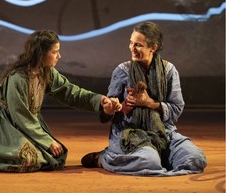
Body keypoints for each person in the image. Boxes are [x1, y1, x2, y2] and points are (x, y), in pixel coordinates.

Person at [0, 30, 120, 173]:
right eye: (55, 52)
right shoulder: (19, 78)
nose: (59, 56)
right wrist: (47, 140)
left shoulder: (47, 72)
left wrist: (100, 101)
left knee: (51, 156)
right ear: (41, 54)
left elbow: (70, 93)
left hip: (21, 123)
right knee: (31, 158)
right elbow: (20, 115)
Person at [81, 21, 207, 176]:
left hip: (163, 131)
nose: (132, 48)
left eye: (138, 45)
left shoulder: (169, 71)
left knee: (195, 159)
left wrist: (150, 103)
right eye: (131, 43)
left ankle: (159, 155)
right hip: (130, 132)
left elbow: (176, 109)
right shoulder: (122, 71)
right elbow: (105, 116)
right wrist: (117, 108)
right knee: (148, 161)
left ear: (152, 48)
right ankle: (104, 158)